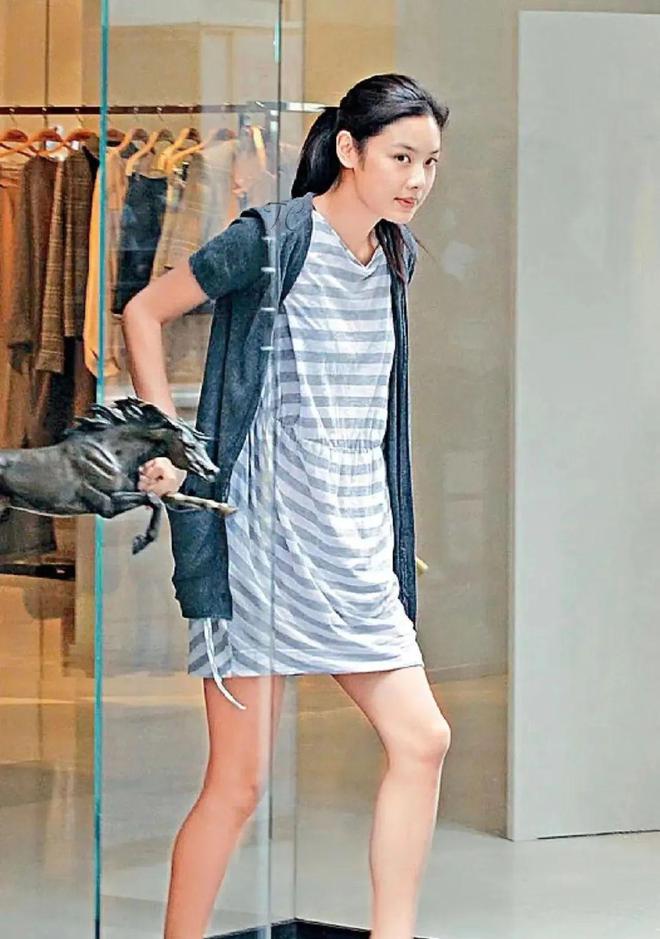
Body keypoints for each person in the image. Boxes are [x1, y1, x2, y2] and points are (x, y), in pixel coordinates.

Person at [122, 72, 451, 939]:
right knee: (237, 784)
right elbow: (145, 312)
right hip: (261, 548)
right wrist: (168, 441)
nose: (417, 179)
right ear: (349, 150)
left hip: (353, 543)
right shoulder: (271, 239)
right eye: (401, 157)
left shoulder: (396, 258)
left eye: (429, 163)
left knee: (422, 739)